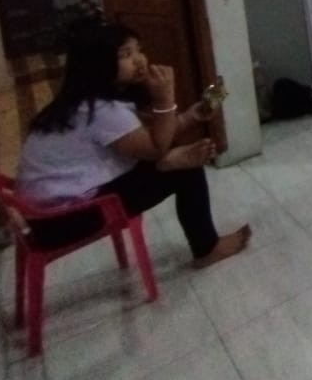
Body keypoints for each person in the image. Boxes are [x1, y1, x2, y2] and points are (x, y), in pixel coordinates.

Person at [17, 23, 250, 268]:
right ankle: (207, 249)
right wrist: (165, 98)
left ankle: (167, 165)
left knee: (172, 156)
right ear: (98, 64)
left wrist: (192, 116)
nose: (139, 60)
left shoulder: (86, 101)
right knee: (186, 170)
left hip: (47, 215)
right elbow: (155, 147)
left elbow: (145, 138)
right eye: (126, 54)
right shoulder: (103, 111)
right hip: (61, 223)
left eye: (139, 50)